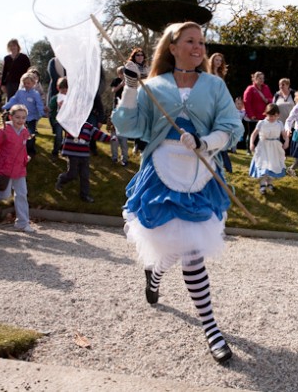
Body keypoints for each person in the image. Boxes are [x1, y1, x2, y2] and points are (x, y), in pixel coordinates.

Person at [112, 21, 243, 364]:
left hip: (199, 171)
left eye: (201, 41)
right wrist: (129, 85)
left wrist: (205, 142)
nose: (198, 47)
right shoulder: (153, 86)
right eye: (190, 41)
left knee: (190, 248)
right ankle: (211, 328)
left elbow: (232, 128)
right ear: (172, 47)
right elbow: (128, 125)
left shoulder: (215, 86)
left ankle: (156, 277)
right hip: (162, 173)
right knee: (189, 250)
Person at [0, 104, 32, 231]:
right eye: (17, 117)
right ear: (11, 116)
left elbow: (23, 149)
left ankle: (23, 223)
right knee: (4, 195)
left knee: (22, 194)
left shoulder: (25, 131)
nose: (20, 120)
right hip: (5, 168)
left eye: (23, 118)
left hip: (20, 169)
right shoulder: (3, 131)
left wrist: (26, 159)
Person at [55, 117, 112, 203]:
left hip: (84, 155)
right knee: (72, 174)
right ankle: (61, 179)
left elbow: (97, 134)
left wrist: (110, 138)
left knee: (85, 176)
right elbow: (64, 125)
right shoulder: (70, 124)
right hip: (73, 154)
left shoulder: (88, 126)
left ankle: (84, 195)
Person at [249, 103, 289, 194]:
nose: (273, 118)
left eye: (275, 116)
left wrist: (286, 141)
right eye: (271, 115)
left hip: (275, 147)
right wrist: (251, 143)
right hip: (263, 146)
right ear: (266, 114)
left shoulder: (279, 123)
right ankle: (262, 184)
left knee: (273, 165)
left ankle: (270, 183)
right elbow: (254, 134)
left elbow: (284, 135)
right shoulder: (261, 123)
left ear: (278, 115)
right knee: (264, 165)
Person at [2, 72, 45, 157]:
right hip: (21, 117)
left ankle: (30, 150)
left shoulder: (35, 94)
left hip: (31, 117)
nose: (26, 85)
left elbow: (39, 104)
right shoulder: (20, 92)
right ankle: (19, 148)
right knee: (20, 132)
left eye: (28, 83)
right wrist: (6, 106)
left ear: (33, 83)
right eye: (24, 83)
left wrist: (41, 112)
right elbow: (13, 100)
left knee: (30, 133)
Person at [125, 48, 149, 157]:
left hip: (147, 97)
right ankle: (137, 143)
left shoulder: (147, 68)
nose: (140, 57)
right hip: (135, 97)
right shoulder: (131, 66)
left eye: (141, 55)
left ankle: (142, 146)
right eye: (137, 55)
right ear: (134, 57)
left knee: (146, 122)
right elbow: (133, 79)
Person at [242, 71, 272, 153]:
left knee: (262, 133)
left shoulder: (266, 88)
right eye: (260, 78)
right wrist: (251, 115)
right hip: (253, 116)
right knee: (252, 132)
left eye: (263, 78)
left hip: (263, 116)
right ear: (255, 79)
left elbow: (271, 99)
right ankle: (249, 149)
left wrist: (267, 100)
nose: (262, 80)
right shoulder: (250, 89)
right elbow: (246, 102)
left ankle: (259, 149)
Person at [49, 77, 67, 158]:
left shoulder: (70, 98)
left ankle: (65, 150)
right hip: (58, 121)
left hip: (67, 121)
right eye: (62, 90)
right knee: (58, 136)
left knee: (68, 137)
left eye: (66, 90)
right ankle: (55, 152)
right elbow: (50, 107)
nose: (64, 92)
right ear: (58, 88)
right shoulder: (56, 98)